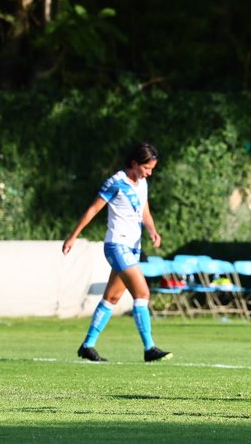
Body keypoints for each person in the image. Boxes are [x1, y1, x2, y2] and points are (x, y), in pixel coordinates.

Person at [62, 143, 171, 363]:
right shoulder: (116, 182)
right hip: (116, 245)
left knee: (112, 297)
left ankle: (88, 345)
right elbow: (93, 209)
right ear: (134, 163)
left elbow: (145, 212)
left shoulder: (142, 184)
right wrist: (73, 236)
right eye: (147, 168)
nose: (149, 173)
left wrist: (153, 231)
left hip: (132, 248)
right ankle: (149, 348)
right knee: (142, 293)